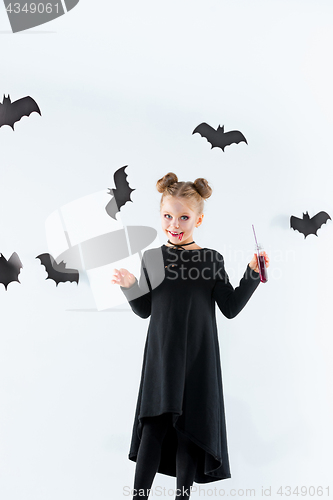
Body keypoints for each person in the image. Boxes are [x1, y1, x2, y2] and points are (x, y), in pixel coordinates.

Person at [111, 172, 270, 499]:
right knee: (153, 426)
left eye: (184, 217)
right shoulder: (153, 258)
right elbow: (145, 310)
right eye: (168, 216)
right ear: (160, 215)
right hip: (163, 358)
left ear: (199, 218)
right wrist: (130, 287)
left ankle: (182, 496)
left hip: (198, 361)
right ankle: (138, 496)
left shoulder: (211, 260)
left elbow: (230, 306)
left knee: (189, 431)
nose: (175, 224)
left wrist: (252, 274)